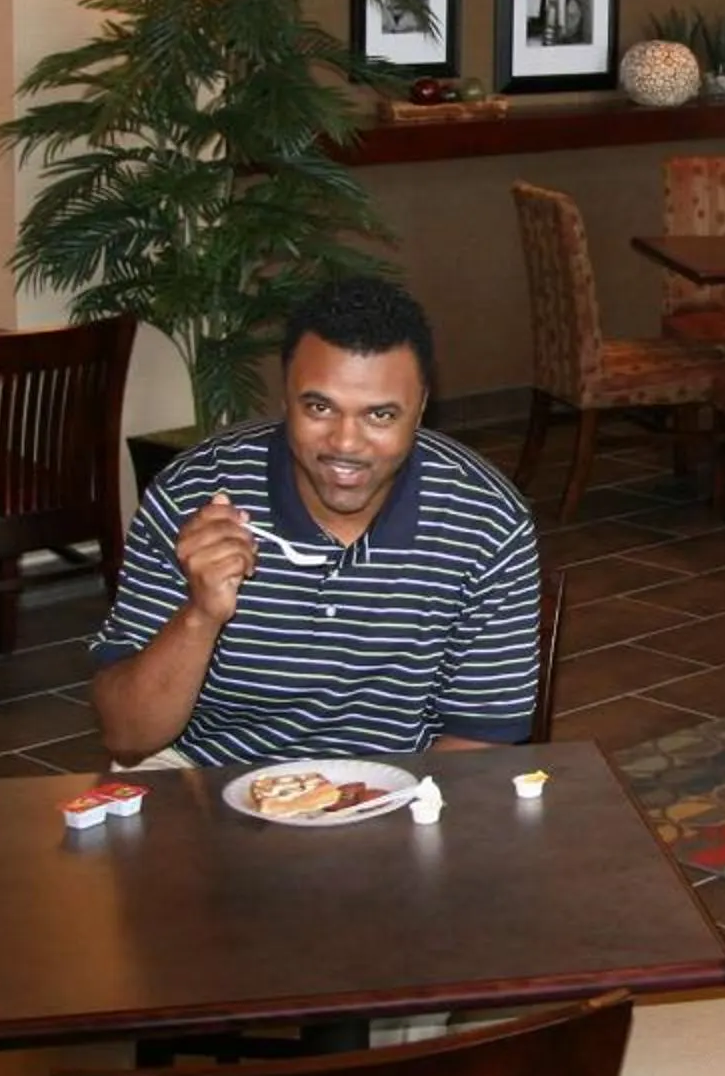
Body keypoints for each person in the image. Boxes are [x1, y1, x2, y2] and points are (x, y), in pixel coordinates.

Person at [91, 275, 540, 766]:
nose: (345, 444)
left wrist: (363, 812)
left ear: (422, 409)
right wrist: (200, 615)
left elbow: (481, 741)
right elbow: (127, 738)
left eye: (381, 416)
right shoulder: (192, 495)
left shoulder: (485, 519)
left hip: (397, 787)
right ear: (286, 396)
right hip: (207, 780)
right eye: (320, 407)